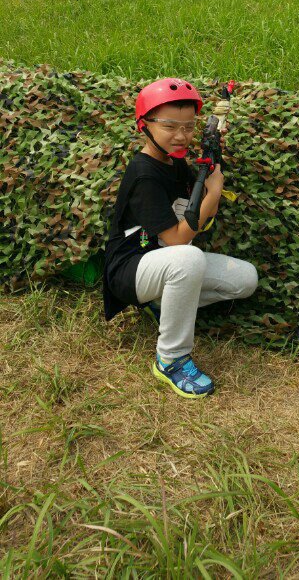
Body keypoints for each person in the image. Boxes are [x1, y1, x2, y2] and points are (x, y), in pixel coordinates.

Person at [103, 78, 258, 398]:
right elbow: (176, 239)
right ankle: (170, 359)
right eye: (170, 126)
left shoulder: (174, 160)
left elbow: (194, 194)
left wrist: (211, 161)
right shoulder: (144, 174)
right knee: (188, 257)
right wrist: (213, 195)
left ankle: (162, 302)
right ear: (143, 126)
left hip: (166, 264)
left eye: (189, 127)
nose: (181, 135)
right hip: (132, 266)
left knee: (246, 279)